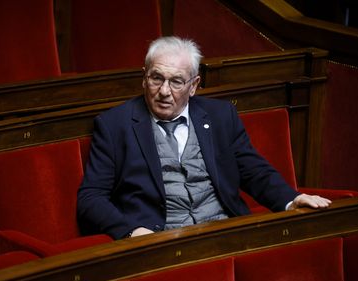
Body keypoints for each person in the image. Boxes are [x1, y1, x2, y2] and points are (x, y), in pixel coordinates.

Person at [77, 36, 331, 239]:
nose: (164, 91)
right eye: (156, 78)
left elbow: (253, 171)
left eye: (176, 82)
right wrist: (131, 231)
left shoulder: (221, 115)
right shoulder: (114, 125)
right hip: (159, 240)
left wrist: (291, 199)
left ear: (194, 85)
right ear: (144, 78)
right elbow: (91, 198)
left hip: (225, 231)